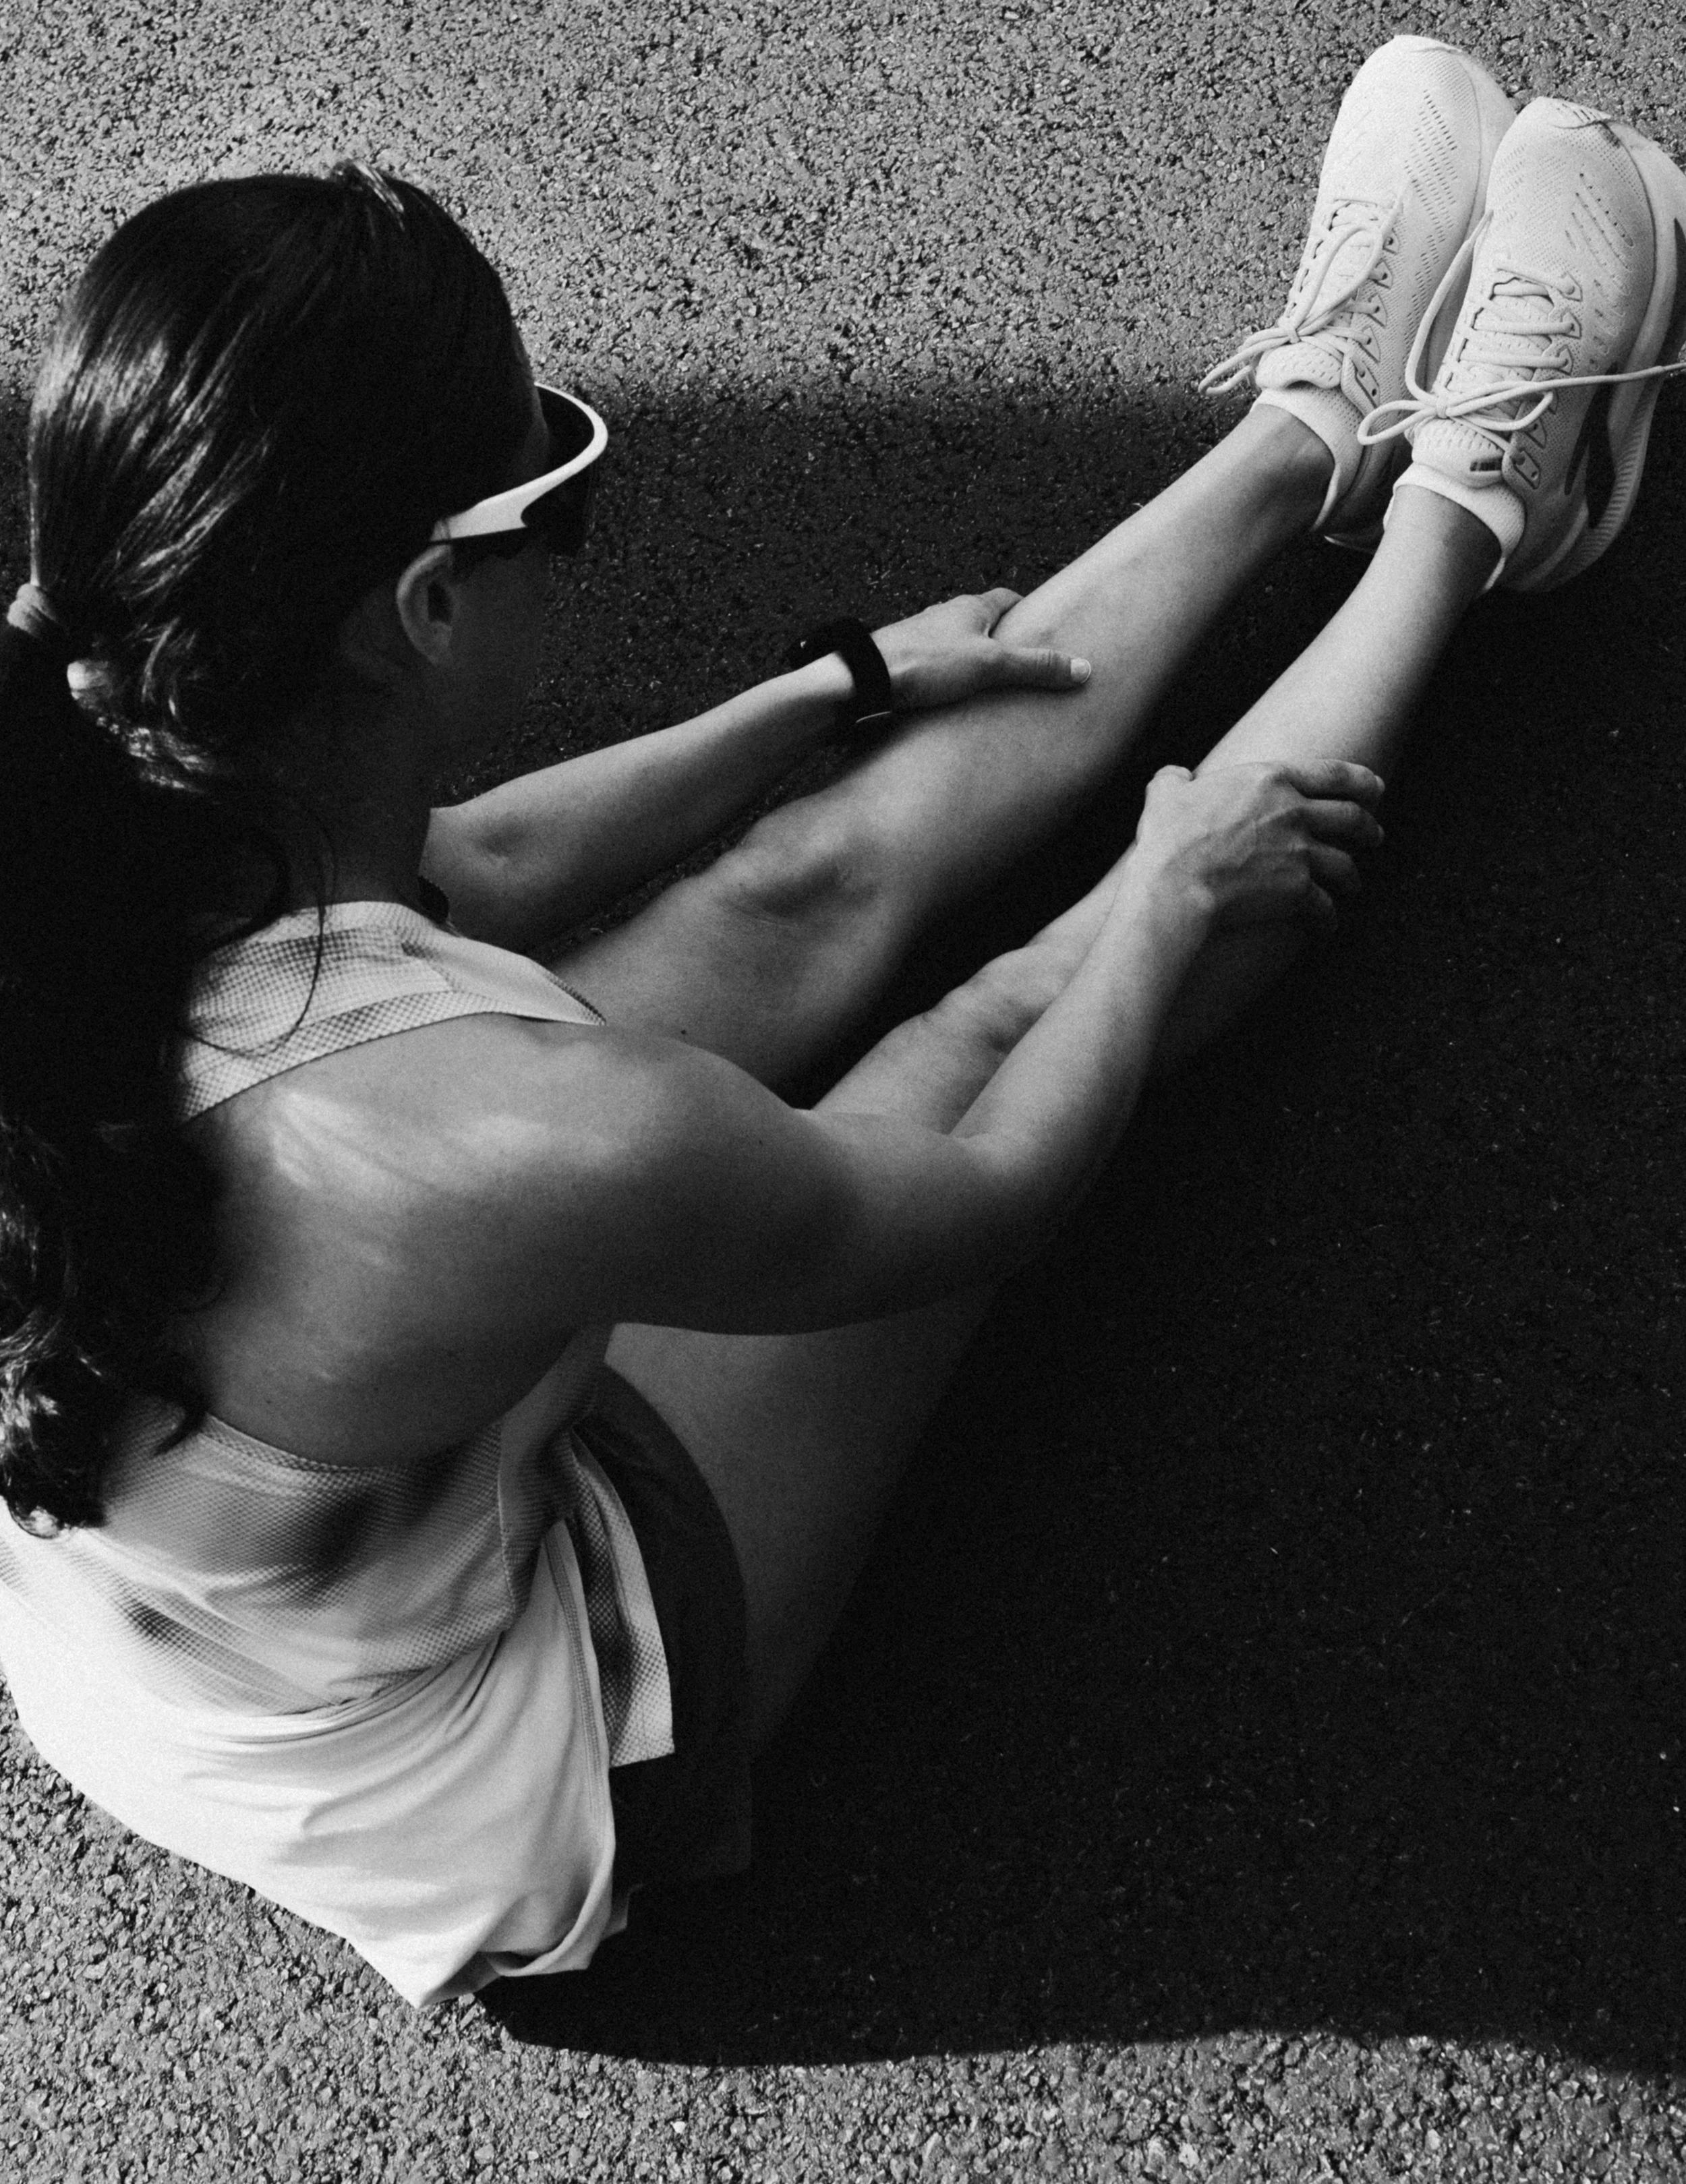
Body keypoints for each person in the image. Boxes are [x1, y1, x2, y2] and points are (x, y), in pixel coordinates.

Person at [1, 38, 1681, 2009]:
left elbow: (483, 861)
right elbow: (970, 1194)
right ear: (422, 608)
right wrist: (1158, 903)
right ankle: (1474, 498)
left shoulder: (88, 763)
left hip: (253, 1581)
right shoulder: (514, 1136)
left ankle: (1307, 428)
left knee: (784, 879)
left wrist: (837, 691)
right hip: (490, 1778)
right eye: (558, 480)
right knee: (987, 1024)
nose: (575, 516)